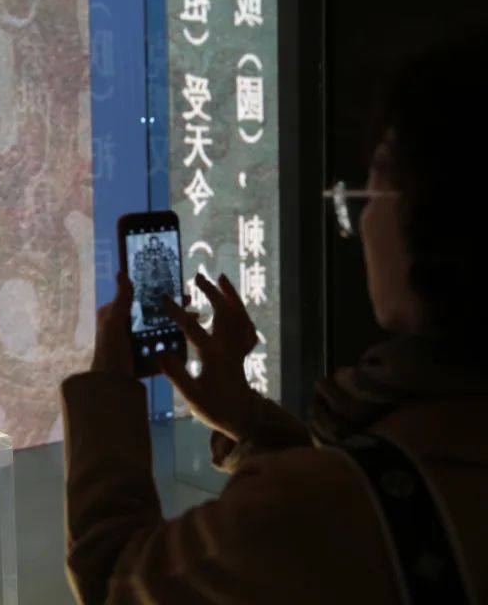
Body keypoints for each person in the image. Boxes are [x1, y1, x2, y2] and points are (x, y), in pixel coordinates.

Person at [61, 41, 487, 604]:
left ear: (440, 219)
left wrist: (109, 385)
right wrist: (250, 422)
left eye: (374, 185)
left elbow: (115, 577)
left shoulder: (318, 507)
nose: (361, 220)